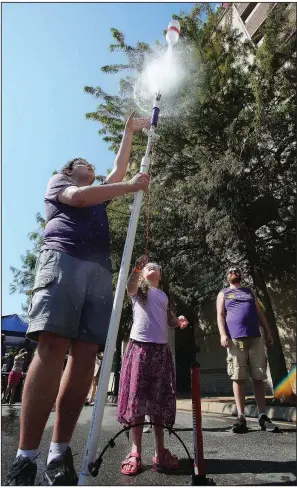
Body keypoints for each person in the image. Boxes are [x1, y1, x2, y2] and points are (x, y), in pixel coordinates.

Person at [6, 112, 150, 486]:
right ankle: (26, 457)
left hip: (98, 271)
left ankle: (59, 452)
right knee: (53, 344)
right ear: (70, 170)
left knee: (86, 356)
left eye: (91, 163)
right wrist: (131, 187)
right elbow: (82, 198)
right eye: (83, 162)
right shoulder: (60, 183)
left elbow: (117, 170)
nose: (90, 164)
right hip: (63, 259)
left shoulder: (102, 191)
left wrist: (129, 131)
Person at [117, 256, 189, 476]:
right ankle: (135, 451)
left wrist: (178, 320)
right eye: (148, 267)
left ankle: (160, 451)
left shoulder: (163, 296)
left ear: (160, 274)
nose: (151, 268)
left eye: (154, 267)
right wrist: (137, 268)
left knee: (157, 403)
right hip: (139, 347)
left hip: (160, 350)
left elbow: (168, 319)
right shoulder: (140, 291)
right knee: (137, 400)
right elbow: (129, 287)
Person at [216, 267, 279, 434]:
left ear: (241, 275)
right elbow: (220, 315)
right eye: (230, 271)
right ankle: (241, 417)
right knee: (238, 377)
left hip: (255, 338)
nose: (234, 272)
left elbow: (259, 312)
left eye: (237, 270)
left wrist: (268, 331)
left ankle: (263, 416)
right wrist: (223, 335)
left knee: (258, 377)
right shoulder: (224, 293)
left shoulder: (249, 292)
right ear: (227, 277)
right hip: (235, 340)